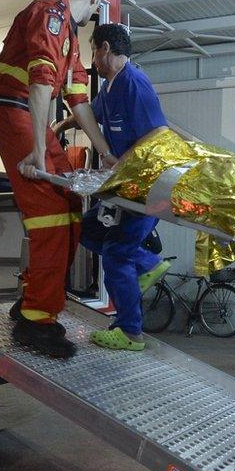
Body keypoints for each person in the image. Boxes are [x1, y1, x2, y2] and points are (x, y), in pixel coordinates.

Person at [0, 0, 113, 358]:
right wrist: (39, 154)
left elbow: (79, 101)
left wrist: (105, 151)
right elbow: (42, 82)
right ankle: (36, 320)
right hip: (16, 112)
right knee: (51, 214)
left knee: (71, 205)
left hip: (29, 116)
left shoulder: (71, 37)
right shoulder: (50, 15)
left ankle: (33, 298)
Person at [76, 24, 172, 351]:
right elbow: (92, 114)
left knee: (117, 255)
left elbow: (157, 134)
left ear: (104, 48)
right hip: (124, 189)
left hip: (146, 187)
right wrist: (62, 122)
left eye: (93, 52)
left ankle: (131, 331)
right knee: (86, 230)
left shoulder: (135, 83)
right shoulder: (110, 86)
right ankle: (143, 264)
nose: (93, 61)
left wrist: (120, 163)